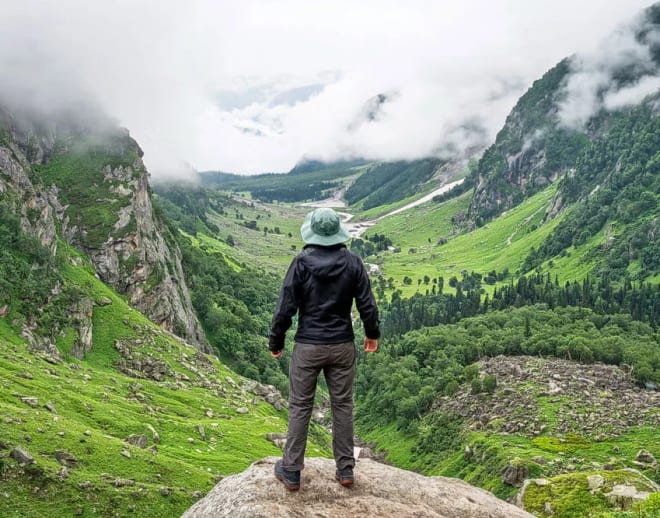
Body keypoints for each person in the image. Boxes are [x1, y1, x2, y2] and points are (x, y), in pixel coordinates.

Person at [269, 207, 380, 491]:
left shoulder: (301, 262)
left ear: (313, 232)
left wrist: (276, 340)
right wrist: (372, 334)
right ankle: (345, 470)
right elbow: (367, 303)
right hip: (342, 345)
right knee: (342, 405)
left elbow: (286, 307)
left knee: (300, 406)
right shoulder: (353, 262)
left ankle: (291, 470)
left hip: (308, 346)